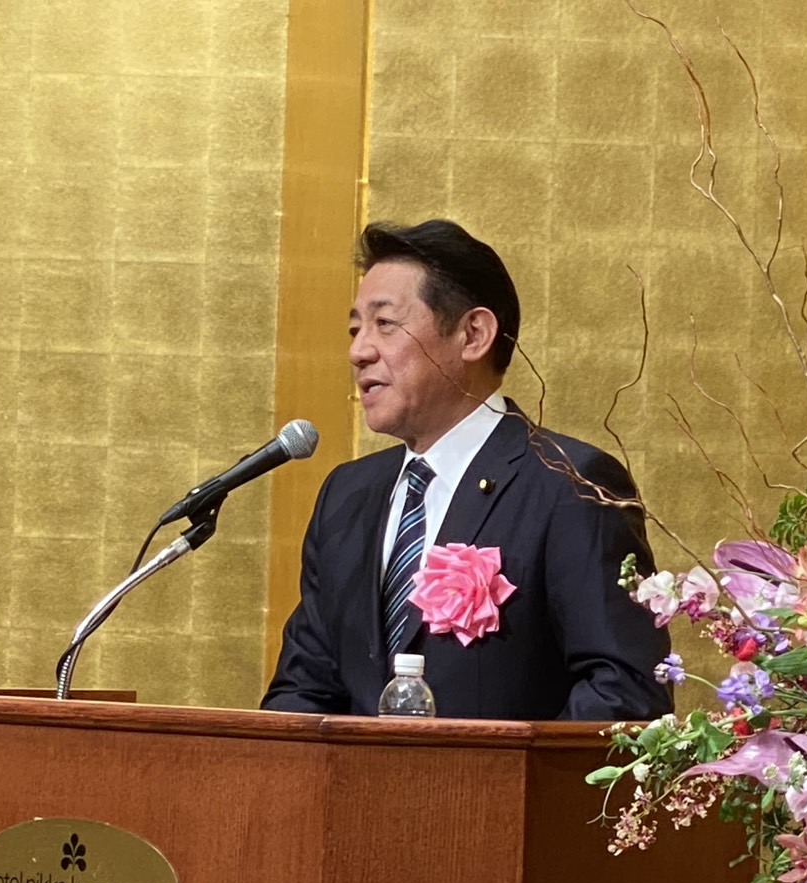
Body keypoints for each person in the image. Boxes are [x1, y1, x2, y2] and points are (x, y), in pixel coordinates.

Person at [262, 219, 673, 720]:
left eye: (385, 324)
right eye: (355, 329)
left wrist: (493, 768)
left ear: (473, 335)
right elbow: (304, 689)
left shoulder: (570, 484)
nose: (358, 351)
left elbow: (625, 693)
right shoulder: (347, 496)